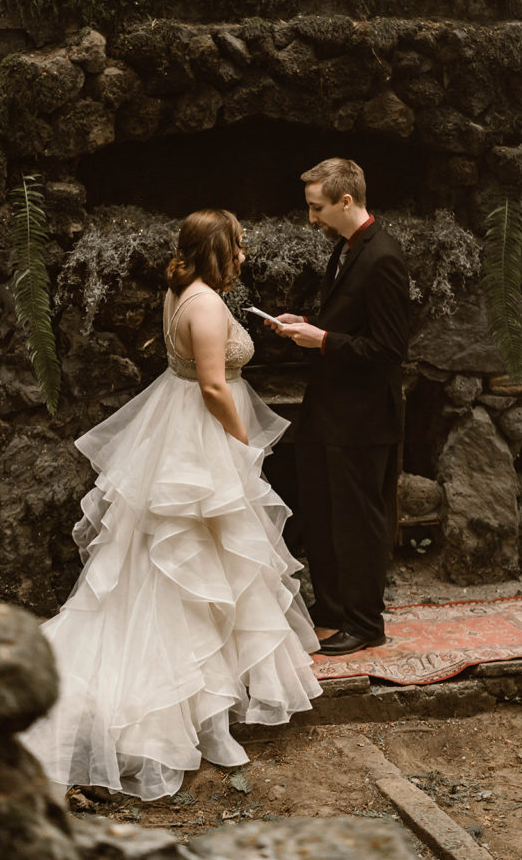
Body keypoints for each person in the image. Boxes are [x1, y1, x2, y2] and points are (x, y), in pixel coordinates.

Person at [21, 209, 322, 801]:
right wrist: (243, 443)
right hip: (200, 437)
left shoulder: (183, 291)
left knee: (202, 565)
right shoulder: (205, 304)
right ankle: (190, 714)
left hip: (181, 428)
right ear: (217, 250)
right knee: (193, 565)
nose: (245, 252)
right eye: (238, 244)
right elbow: (212, 385)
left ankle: (209, 704)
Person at [267, 158, 409, 657]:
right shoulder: (346, 251)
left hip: (364, 419)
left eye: (317, 208)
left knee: (358, 521)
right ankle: (330, 613)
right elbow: (351, 323)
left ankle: (366, 623)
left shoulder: (384, 258)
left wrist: (322, 339)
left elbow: (390, 350)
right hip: (327, 411)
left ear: (345, 201)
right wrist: (306, 322)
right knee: (324, 514)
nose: (311, 219)